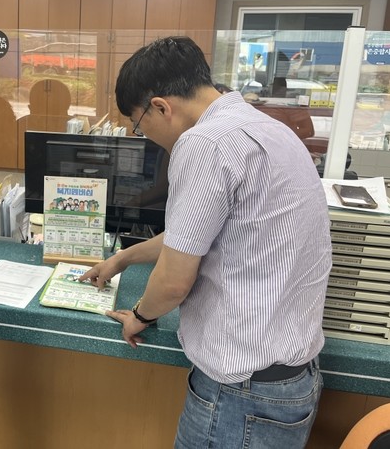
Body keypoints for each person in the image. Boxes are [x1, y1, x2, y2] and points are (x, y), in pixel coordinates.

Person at [79, 36, 331, 449]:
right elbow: (194, 232)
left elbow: (173, 283)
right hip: (290, 381)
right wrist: (122, 258)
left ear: (161, 107)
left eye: (139, 125)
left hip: (240, 394)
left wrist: (140, 316)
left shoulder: (203, 144)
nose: (145, 136)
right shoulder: (268, 129)